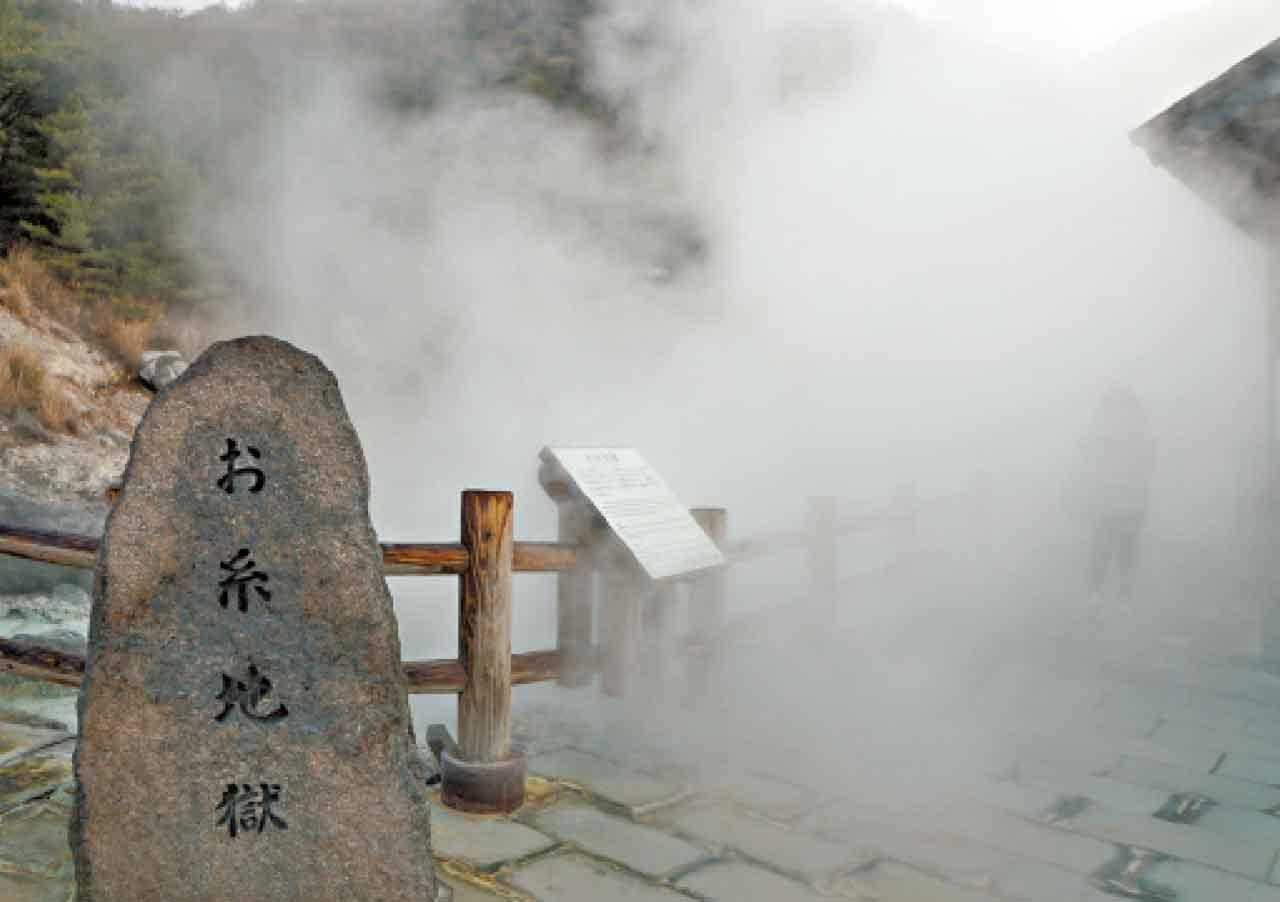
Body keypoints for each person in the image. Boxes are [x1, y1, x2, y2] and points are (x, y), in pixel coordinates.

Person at [1076, 385, 1155, 608]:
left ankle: (1100, 594)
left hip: (1116, 495)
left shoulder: (1102, 423)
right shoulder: (1138, 423)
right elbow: (1148, 459)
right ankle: (1117, 594)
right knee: (1121, 544)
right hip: (1121, 495)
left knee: (1108, 543)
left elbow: (1087, 458)